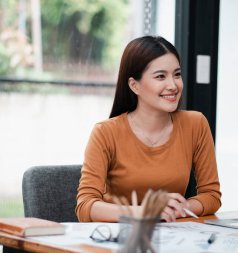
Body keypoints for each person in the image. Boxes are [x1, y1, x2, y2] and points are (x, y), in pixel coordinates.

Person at [76, 36, 221, 223]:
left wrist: (179, 208)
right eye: (161, 76)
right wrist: (146, 211)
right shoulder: (105, 132)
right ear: (134, 85)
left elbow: (211, 195)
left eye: (177, 74)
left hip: (172, 237)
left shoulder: (196, 124)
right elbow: (85, 206)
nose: (173, 85)